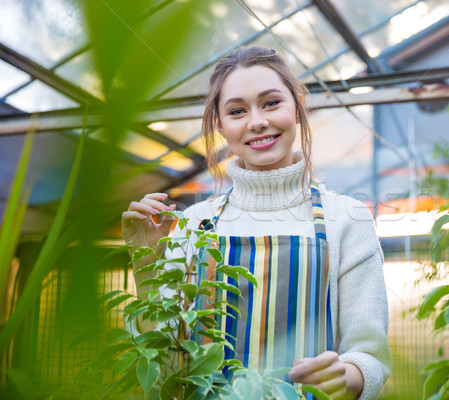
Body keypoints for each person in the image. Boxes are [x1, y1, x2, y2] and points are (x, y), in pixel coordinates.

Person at [122, 46, 391, 400]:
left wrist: (347, 376)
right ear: (220, 125)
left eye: (271, 103)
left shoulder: (347, 219)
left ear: (297, 106)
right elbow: (164, 365)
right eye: (237, 111)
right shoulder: (193, 223)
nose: (256, 121)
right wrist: (146, 268)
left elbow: (369, 355)